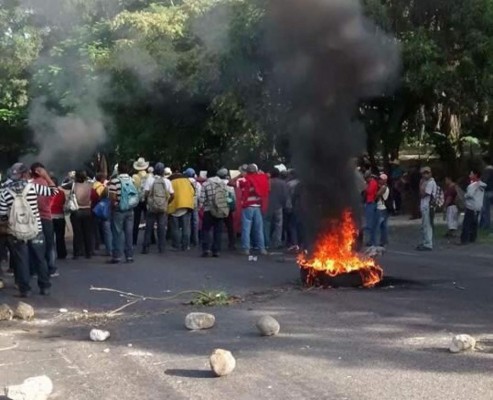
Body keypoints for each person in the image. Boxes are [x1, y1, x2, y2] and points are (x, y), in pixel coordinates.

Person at [0, 163, 57, 297]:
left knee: (21, 261)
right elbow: (53, 191)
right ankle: (44, 286)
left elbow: (2, 214)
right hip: (35, 229)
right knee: (40, 258)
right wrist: (46, 176)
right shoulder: (33, 187)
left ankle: (25, 289)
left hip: (16, 232)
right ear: (25, 174)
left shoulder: (4, 192)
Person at [232, 164, 269, 256]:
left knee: (246, 229)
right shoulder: (261, 178)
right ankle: (262, 249)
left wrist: (240, 175)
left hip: (247, 206)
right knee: (259, 229)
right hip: (257, 206)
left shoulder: (244, 180)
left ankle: (246, 249)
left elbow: (231, 182)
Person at [30, 162, 57, 276]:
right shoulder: (47, 184)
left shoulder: (29, 185)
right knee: (49, 245)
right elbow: (54, 191)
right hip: (46, 218)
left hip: (33, 219)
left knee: (34, 245)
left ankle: (35, 269)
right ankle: (51, 269)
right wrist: (47, 177)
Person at [108, 161, 138, 263]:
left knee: (117, 233)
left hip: (118, 210)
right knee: (129, 233)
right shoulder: (132, 180)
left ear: (119, 170)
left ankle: (117, 256)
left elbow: (112, 196)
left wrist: (115, 205)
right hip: (130, 209)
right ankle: (129, 256)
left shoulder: (115, 181)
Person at [142, 163, 174, 254]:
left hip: (152, 207)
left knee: (149, 228)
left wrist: (149, 202)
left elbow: (146, 193)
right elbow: (172, 195)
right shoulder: (167, 181)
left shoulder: (149, 180)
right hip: (162, 208)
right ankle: (161, 248)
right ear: (163, 172)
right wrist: (166, 203)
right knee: (161, 228)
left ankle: (146, 247)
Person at [65, 170, 96, 259]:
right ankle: (88, 252)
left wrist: (69, 178)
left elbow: (62, 185)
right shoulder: (90, 185)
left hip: (77, 211)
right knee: (87, 232)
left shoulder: (73, 185)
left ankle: (77, 252)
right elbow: (94, 195)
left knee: (77, 233)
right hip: (87, 210)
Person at [200, 170, 230, 257]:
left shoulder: (205, 184)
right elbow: (227, 197)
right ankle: (216, 250)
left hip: (208, 210)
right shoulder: (223, 184)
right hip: (220, 210)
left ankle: (206, 249)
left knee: (206, 230)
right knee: (218, 231)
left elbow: (202, 198)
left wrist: (199, 207)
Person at [168, 170, 195, 251]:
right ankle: (185, 245)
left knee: (175, 228)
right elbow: (193, 192)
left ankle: (176, 245)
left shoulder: (170, 181)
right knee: (186, 227)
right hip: (186, 205)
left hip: (174, 206)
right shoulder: (187, 181)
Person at [264, 167, 288, 249]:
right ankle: (278, 242)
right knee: (279, 225)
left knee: (267, 224)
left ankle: (266, 243)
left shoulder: (267, 182)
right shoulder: (283, 183)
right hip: (278, 206)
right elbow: (285, 196)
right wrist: (283, 204)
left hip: (268, 206)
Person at [461, 169, 487, 245]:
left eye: (471, 174)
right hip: (478, 206)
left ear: (475, 175)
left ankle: (464, 239)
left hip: (471, 206)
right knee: (474, 223)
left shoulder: (472, 186)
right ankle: (473, 238)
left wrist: (465, 195)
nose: (469, 176)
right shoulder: (482, 185)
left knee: (467, 223)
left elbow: (469, 195)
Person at [416, 166, 437, 251]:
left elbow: (424, 194)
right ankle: (426, 242)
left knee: (427, 225)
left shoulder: (430, 182)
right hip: (425, 205)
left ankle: (428, 244)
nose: (425, 175)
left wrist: (421, 186)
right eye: (424, 173)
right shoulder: (426, 182)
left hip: (428, 206)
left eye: (427, 173)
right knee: (424, 225)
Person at [132, 157, 150, 246]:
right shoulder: (149, 176)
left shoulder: (134, 177)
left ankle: (134, 239)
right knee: (149, 220)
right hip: (147, 200)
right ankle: (151, 239)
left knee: (136, 221)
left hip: (137, 200)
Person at [93, 172, 112, 256]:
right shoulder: (103, 188)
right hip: (106, 210)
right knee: (109, 230)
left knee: (97, 229)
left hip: (97, 210)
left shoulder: (94, 185)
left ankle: (101, 245)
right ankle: (110, 248)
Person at [217, 168, 236, 250]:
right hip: (228, 208)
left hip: (219, 207)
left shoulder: (216, 183)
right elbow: (232, 197)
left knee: (218, 226)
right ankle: (231, 244)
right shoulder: (230, 184)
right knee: (230, 227)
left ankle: (217, 244)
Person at [50, 177, 67, 260]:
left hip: (49, 217)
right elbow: (63, 202)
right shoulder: (61, 193)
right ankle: (62, 253)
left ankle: (50, 254)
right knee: (60, 236)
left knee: (50, 237)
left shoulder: (47, 193)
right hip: (60, 216)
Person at [184, 168, 201, 247]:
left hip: (187, 204)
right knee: (195, 223)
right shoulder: (197, 184)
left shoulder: (184, 183)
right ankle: (195, 241)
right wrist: (200, 205)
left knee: (187, 224)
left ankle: (186, 243)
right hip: (195, 204)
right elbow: (200, 196)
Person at [363, 171, 379, 246]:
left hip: (371, 203)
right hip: (369, 203)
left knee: (370, 224)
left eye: (366, 178)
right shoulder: (371, 183)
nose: (366, 180)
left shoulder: (373, 183)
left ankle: (372, 241)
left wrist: (365, 187)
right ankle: (371, 241)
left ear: (369, 177)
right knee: (370, 223)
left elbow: (369, 191)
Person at [375, 174, 390, 247]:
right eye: (379, 179)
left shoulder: (384, 187)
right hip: (384, 208)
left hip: (380, 208)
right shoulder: (385, 187)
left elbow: (377, 195)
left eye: (381, 179)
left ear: (385, 180)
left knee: (377, 226)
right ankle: (384, 241)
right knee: (384, 226)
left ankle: (376, 241)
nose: (379, 180)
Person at [479, 165, 493, 230]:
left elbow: (483, 182)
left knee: (485, 210)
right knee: (487, 210)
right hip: (491, 192)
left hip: (487, 192)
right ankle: (486, 225)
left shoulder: (486, 174)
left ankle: (485, 225)